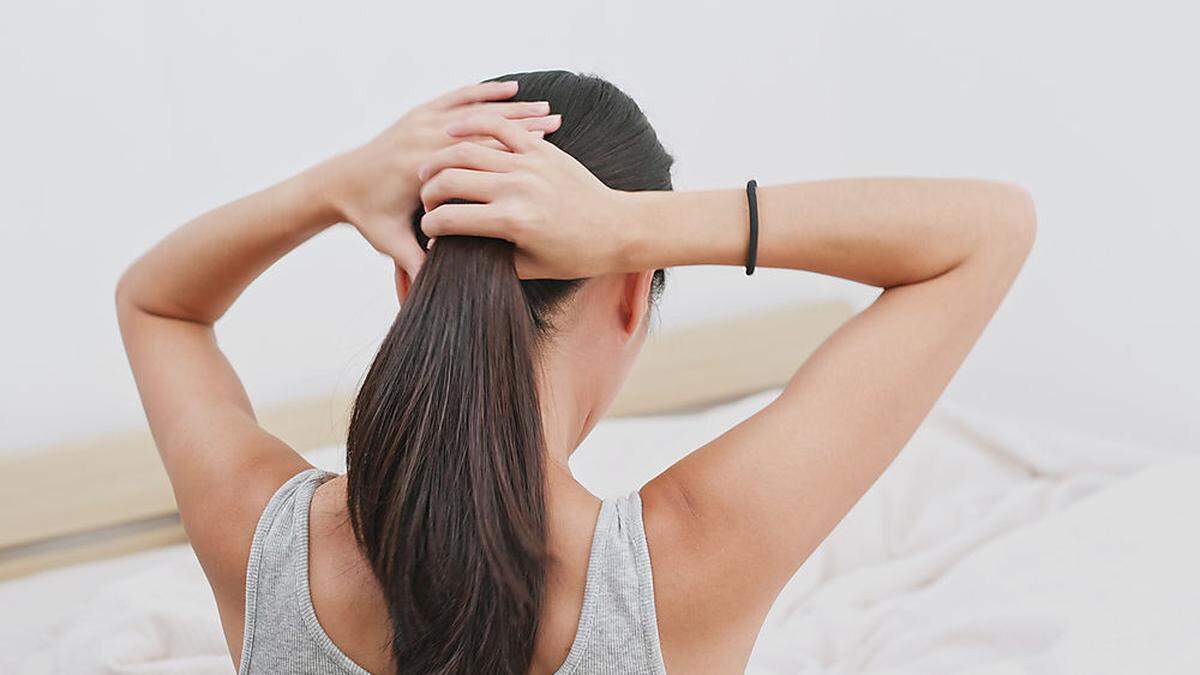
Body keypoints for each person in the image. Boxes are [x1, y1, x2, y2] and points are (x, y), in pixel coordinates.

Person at [116, 70, 1035, 674]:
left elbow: (156, 303)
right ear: (634, 297)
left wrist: (331, 185)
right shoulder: (686, 564)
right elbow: (987, 230)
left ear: (408, 281)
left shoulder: (265, 542)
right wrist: (635, 225)